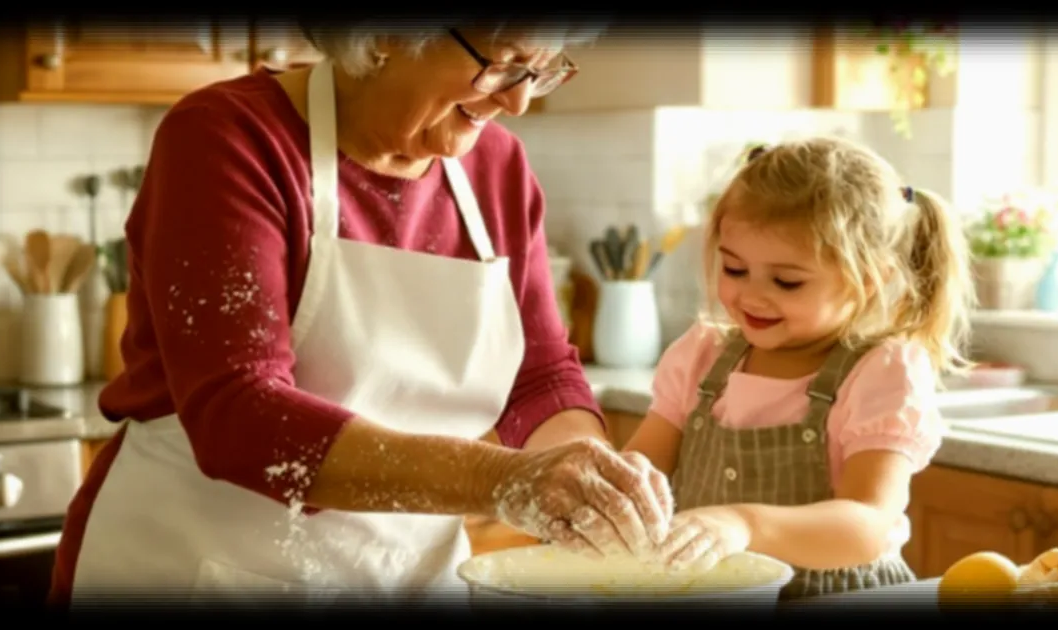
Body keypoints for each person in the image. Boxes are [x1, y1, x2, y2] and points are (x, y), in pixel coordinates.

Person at [48, 20, 674, 608]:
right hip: (198, 565)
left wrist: (590, 481)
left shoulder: (498, 168)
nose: (518, 103)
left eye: (541, 71)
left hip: (409, 576)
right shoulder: (228, 137)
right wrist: (506, 480)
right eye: (502, 65)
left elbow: (539, 378)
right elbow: (239, 414)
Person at [630, 137, 977, 601]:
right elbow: (639, 475)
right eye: (734, 269)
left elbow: (867, 525)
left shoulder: (881, 373)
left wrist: (743, 523)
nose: (752, 295)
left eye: (787, 281)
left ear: (870, 280)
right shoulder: (701, 355)